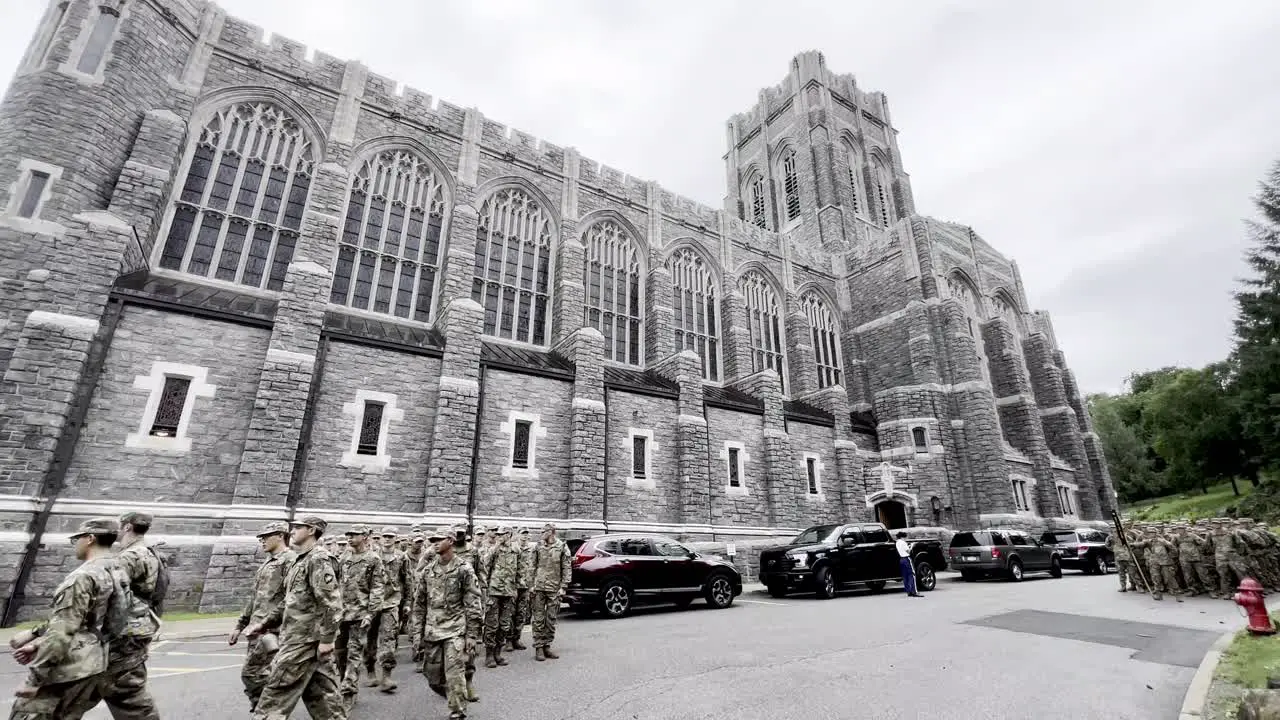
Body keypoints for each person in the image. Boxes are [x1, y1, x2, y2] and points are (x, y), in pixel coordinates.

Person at [8, 518, 125, 719]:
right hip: (94, 663)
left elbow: (62, 631)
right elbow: (114, 622)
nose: (75, 545)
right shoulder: (117, 570)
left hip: (68, 669)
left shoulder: (81, 577)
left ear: (90, 538)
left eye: (77, 539)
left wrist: (34, 680)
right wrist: (36, 643)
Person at [247, 515, 345, 720]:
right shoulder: (300, 560)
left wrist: (327, 640)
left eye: (298, 527)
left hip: (304, 642)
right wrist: (264, 623)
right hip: (299, 638)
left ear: (311, 531)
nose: (292, 531)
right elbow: (290, 601)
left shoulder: (318, 559)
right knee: (323, 699)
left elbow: (332, 604)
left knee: (274, 696)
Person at [411, 526, 483, 720]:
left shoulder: (463, 569)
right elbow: (419, 605)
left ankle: (458, 711)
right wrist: (416, 634)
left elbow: (473, 603)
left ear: (450, 541)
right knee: (432, 678)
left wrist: (472, 635)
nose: (434, 542)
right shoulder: (428, 571)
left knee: (454, 674)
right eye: (432, 539)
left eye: (439, 539)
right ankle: (454, 695)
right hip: (432, 631)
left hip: (455, 630)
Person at [101, 511, 162, 719]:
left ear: (127, 527)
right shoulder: (150, 552)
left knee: (127, 692)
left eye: (120, 525)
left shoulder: (130, 555)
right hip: (141, 622)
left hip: (126, 628)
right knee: (125, 688)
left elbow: (111, 593)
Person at [229, 521, 295, 712]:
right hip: (255, 629)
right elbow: (254, 597)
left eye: (266, 536)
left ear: (280, 536)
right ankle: (266, 709)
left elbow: (292, 598)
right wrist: (239, 625)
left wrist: (270, 623)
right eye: (261, 537)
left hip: (272, 630)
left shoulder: (290, 561)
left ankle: (267, 710)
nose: (262, 540)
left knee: (252, 674)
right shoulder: (267, 562)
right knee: (262, 673)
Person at [335, 524, 385, 708]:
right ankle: (343, 681)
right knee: (339, 653)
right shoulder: (344, 557)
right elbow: (337, 583)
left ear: (364, 536)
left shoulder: (373, 559)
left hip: (360, 614)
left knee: (354, 653)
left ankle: (349, 691)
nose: (349, 537)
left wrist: (371, 613)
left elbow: (377, 587)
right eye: (348, 534)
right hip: (341, 614)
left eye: (353, 535)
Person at [365, 527, 410, 693]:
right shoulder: (371, 556)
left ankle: (386, 675)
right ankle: (370, 670)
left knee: (389, 637)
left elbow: (407, 580)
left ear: (396, 538)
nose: (387, 539)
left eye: (391, 537)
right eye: (385, 536)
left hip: (391, 602)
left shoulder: (401, 557)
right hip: (371, 603)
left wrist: (407, 602)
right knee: (369, 639)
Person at [530, 523, 571, 660]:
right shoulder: (538, 546)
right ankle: (538, 647)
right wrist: (531, 584)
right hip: (539, 588)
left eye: (544, 531)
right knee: (538, 618)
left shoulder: (562, 547)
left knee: (551, 618)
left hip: (554, 588)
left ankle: (547, 645)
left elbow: (566, 568)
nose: (542, 533)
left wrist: (563, 587)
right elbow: (532, 566)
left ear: (552, 532)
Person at [481, 526, 519, 668]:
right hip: (494, 591)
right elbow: (485, 566)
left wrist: (516, 588)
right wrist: (495, 547)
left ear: (508, 535)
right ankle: (489, 655)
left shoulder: (516, 551)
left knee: (504, 624)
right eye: (497, 534)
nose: (499, 536)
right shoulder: (494, 550)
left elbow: (520, 570)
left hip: (508, 591)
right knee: (492, 624)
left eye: (502, 534)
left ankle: (498, 653)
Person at [895, 532, 921, 598]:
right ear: (902, 537)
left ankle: (908, 591)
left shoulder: (897, 543)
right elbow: (908, 551)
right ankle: (914, 591)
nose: (906, 539)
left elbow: (903, 550)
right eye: (905, 537)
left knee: (905, 576)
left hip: (901, 559)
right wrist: (912, 546)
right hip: (907, 559)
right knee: (912, 575)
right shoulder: (903, 543)